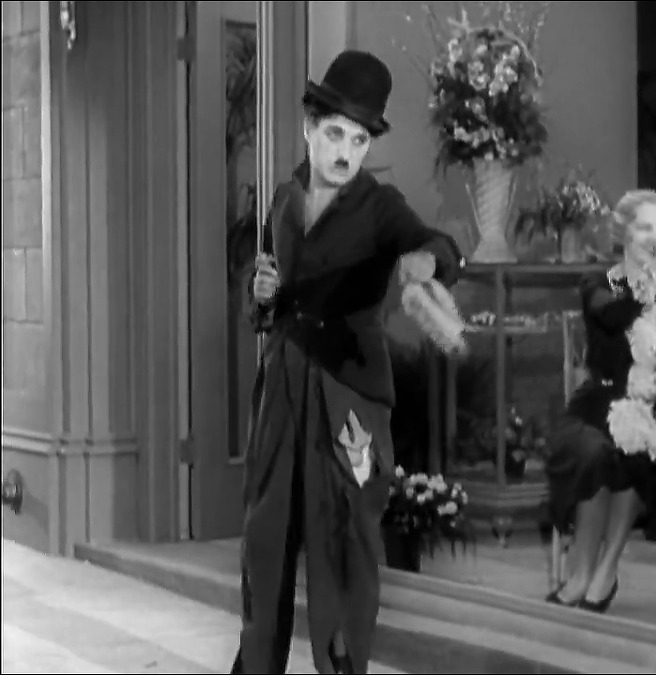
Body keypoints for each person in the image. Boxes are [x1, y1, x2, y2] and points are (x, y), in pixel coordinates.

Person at [230, 50, 464, 675]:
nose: (345, 152)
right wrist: (262, 296)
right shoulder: (284, 200)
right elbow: (270, 301)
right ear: (309, 127)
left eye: (359, 140)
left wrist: (428, 262)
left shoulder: (380, 206)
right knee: (266, 535)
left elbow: (439, 244)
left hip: (349, 393)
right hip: (283, 385)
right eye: (335, 134)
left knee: (344, 544)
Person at [544, 190, 656, 612]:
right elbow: (612, 315)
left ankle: (605, 571)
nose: (655, 236)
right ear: (623, 232)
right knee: (592, 453)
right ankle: (581, 571)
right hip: (599, 402)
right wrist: (651, 280)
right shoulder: (599, 283)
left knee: (634, 453)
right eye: (644, 227)